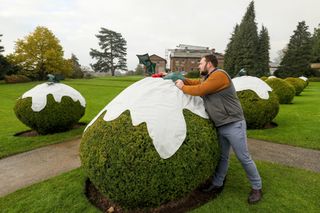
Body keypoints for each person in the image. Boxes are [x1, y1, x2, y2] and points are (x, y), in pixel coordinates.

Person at [175, 54, 262, 204]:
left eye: (201, 63)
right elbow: (196, 82)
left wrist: (182, 87)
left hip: (234, 123)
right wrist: (178, 78)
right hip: (221, 125)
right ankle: (217, 184)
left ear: (209, 63)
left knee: (243, 157)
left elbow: (201, 89)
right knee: (223, 157)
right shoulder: (209, 78)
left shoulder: (220, 75)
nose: (198, 65)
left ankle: (257, 187)